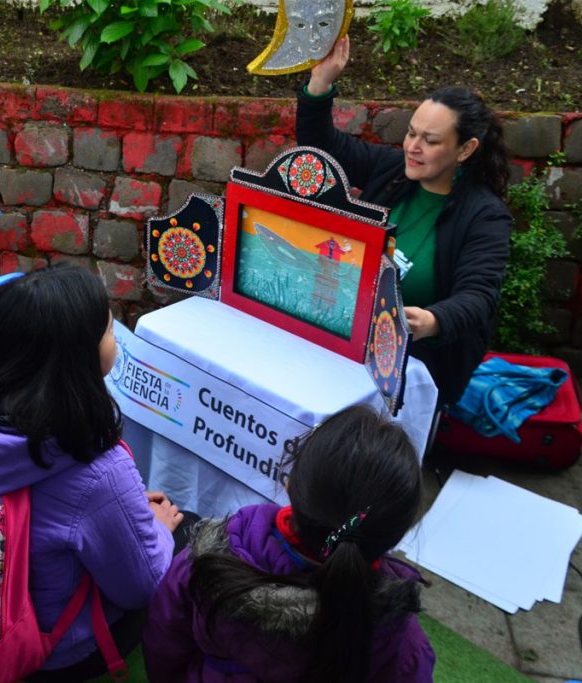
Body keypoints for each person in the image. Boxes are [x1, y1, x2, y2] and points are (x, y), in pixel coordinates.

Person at [0, 265, 182, 681]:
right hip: (56, 648)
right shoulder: (98, 470)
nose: (114, 339)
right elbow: (141, 584)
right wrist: (159, 529)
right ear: (79, 357)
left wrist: (118, 513)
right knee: (186, 542)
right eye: (109, 332)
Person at [142, 404, 435, 682]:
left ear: (290, 482)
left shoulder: (208, 558)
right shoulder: (401, 641)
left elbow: (164, 641)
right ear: (396, 533)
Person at [298, 36, 513, 408]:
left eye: (430, 141)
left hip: (415, 361)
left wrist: (432, 320)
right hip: (347, 334)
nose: (413, 147)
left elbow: (478, 297)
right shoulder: (393, 171)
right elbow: (321, 146)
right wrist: (321, 82)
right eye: (411, 132)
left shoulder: (484, 216)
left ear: (465, 149)